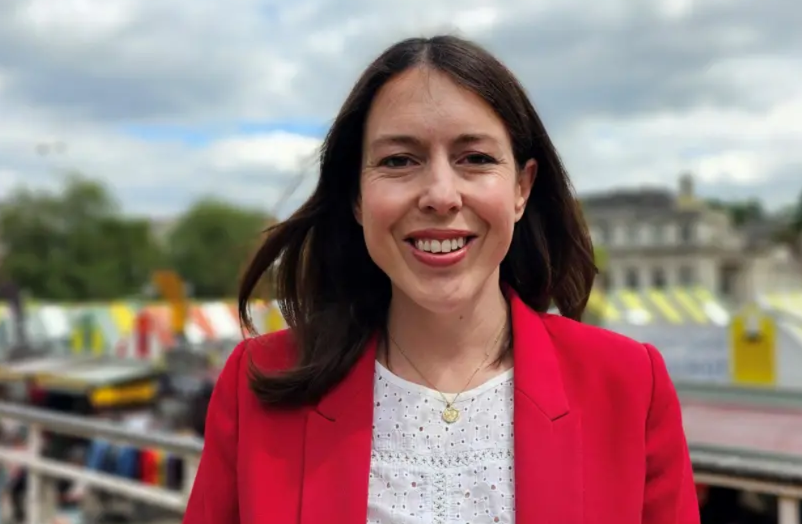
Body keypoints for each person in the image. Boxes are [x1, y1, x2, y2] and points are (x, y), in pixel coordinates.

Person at [183, 35, 699, 524]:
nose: (441, 195)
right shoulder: (258, 384)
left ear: (522, 188)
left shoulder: (629, 385)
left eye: (474, 159)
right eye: (399, 160)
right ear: (356, 198)